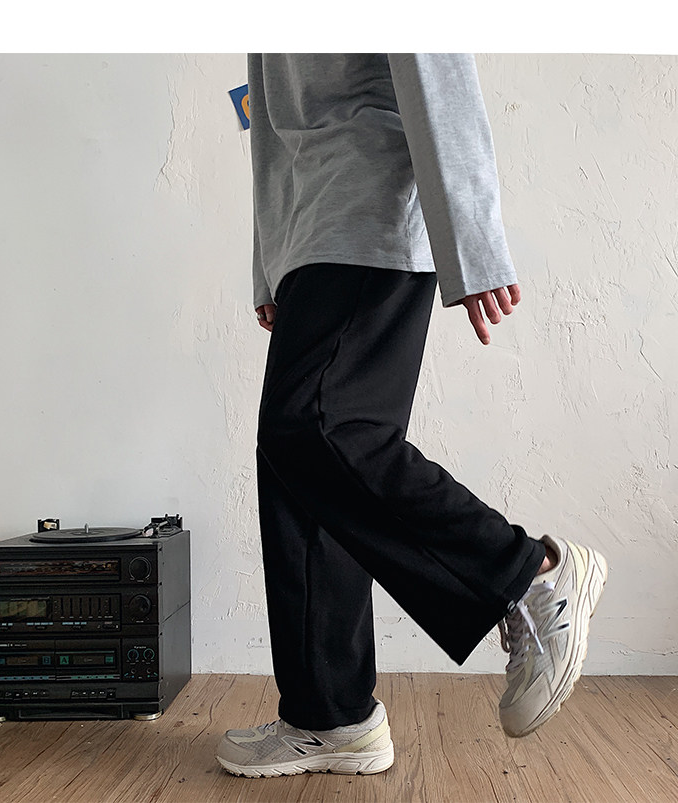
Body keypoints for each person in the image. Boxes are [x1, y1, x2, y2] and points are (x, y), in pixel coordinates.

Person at [216, 53, 608, 778]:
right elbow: (268, 117)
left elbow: (436, 58)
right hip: (312, 225)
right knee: (297, 465)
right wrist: (272, 257)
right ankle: (329, 717)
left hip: (372, 196)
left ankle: (528, 577)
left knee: (320, 428)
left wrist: (472, 241)